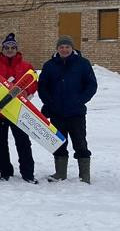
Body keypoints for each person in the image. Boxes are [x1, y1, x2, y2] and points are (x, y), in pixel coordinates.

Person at [38, 36, 98, 183]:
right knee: (58, 143)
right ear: (57, 49)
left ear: (72, 48)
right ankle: (60, 173)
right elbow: (42, 87)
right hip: (56, 112)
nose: (64, 49)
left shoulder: (83, 64)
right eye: (61, 47)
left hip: (76, 112)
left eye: (67, 47)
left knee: (80, 143)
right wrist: (49, 103)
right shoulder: (49, 65)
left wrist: (80, 100)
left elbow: (91, 85)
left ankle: (84, 175)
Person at [0, 33, 38, 183]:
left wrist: (26, 92)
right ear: (2, 49)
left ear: (17, 49)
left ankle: (28, 173)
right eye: (7, 47)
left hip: (19, 112)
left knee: (23, 143)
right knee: (0, 143)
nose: (9, 50)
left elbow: (34, 82)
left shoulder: (26, 66)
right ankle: (4, 172)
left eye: (12, 47)